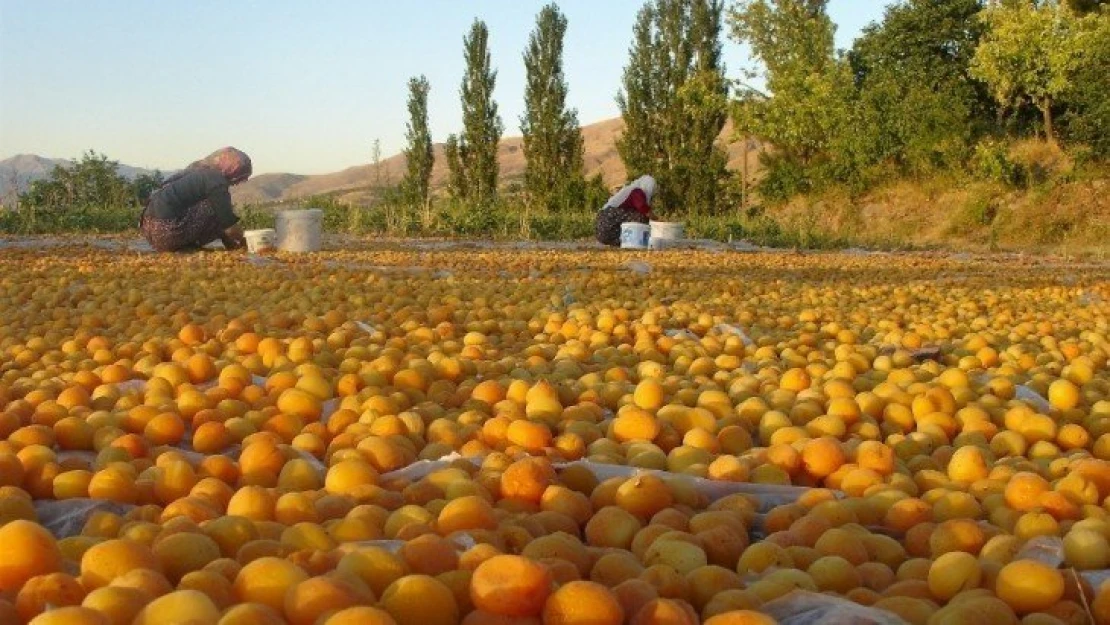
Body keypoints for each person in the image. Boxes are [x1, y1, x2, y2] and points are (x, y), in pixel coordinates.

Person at [139, 147, 253, 252]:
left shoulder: (195, 171)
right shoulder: (215, 179)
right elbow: (229, 226)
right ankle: (233, 247)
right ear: (234, 168)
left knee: (217, 205)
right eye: (241, 177)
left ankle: (183, 246)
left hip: (151, 232)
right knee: (217, 206)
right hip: (168, 231)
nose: (238, 183)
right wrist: (245, 240)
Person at [595, 175, 656, 247]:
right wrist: (657, 219)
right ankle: (635, 242)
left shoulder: (630, 191)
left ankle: (623, 243)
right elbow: (643, 208)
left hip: (602, 230)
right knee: (641, 216)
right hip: (606, 223)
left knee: (636, 218)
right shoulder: (637, 191)